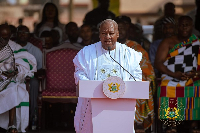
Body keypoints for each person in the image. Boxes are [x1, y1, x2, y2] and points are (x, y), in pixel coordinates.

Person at [73, 19, 142, 133]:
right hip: (93, 104)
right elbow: (79, 73)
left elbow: (136, 75)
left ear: (117, 34)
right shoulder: (87, 52)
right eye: (104, 34)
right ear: (99, 35)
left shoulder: (129, 54)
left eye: (111, 33)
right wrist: (93, 87)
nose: (107, 37)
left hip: (121, 104)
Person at [155, 16, 200, 133]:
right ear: (177, 27)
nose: (184, 27)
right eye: (182, 25)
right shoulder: (168, 42)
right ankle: (172, 124)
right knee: (166, 86)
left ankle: (194, 125)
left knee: (198, 88)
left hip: (192, 77)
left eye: (187, 25)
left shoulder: (197, 42)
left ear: (192, 27)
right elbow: (158, 63)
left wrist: (195, 74)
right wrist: (174, 74)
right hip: (171, 75)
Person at [117, 19, 156, 133]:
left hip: (132, 79)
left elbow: (146, 67)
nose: (120, 31)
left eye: (122, 28)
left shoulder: (135, 47)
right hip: (111, 79)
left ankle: (138, 120)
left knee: (141, 82)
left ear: (128, 31)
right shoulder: (104, 47)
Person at [0, 24, 37, 133]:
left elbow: (26, 62)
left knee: (13, 88)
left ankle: (11, 125)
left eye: (6, 38)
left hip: (8, 79)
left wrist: (16, 71)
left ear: (10, 36)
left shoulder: (15, 47)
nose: (3, 40)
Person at [16, 25, 43, 125]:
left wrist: (28, 73)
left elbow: (41, 70)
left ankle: (33, 117)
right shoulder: (11, 48)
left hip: (30, 78)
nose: (23, 34)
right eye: (20, 32)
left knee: (35, 84)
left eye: (25, 33)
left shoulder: (35, 50)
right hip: (13, 77)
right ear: (16, 34)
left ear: (29, 36)